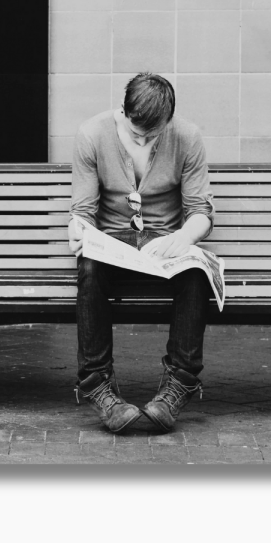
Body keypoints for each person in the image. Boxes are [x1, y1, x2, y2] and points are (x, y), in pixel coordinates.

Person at [68, 72, 214, 434]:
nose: (145, 139)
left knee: (196, 273)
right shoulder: (93, 133)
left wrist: (184, 238)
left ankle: (179, 384)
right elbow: (83, 212)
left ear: (169, 120)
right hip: (113, 241)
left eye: (154, 134)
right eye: (137, 134)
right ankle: (97, 384)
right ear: (123, 110)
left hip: (164, 240)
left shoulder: (187, 136)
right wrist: (78, 230)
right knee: (88, 266)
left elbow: (201, 211)